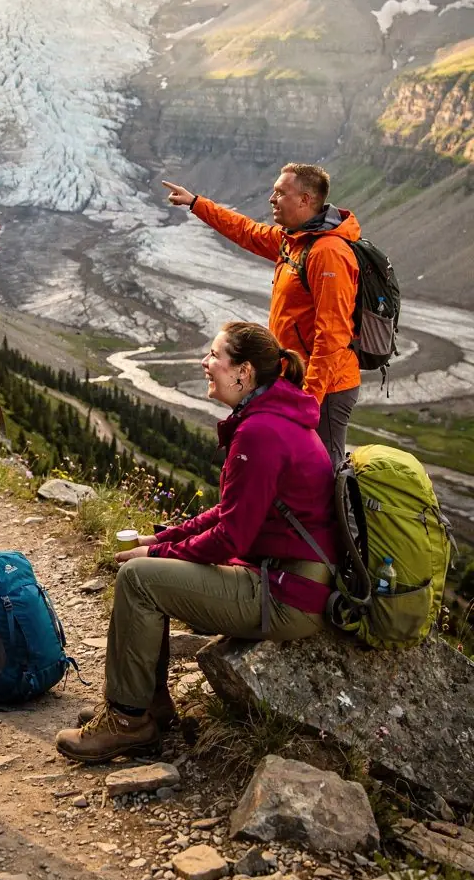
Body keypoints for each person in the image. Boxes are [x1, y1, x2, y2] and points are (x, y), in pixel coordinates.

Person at [55, 321, 336, 764]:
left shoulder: (260, 433)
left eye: (214, 356)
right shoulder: (275, 420)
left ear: (243, 373)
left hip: (285, 595)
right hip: (285, 579)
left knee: (139, 579)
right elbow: (232, 512)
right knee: (148, 572)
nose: (205, 363)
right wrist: (162, 538)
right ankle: (149, 703)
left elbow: (230, 536)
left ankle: (128, 721)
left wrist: (155, 554)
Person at [163, 163, 361, 467]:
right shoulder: (294, 241)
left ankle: (330, 517)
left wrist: (309, 402)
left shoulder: (327, 253)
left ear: (306, 200)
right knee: (290, 464)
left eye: (281, 193)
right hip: (296, 379)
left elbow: (332, 337)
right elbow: (246, 231)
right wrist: (196, 204)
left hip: (326, 388)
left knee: (323, 469)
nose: (272, 198)